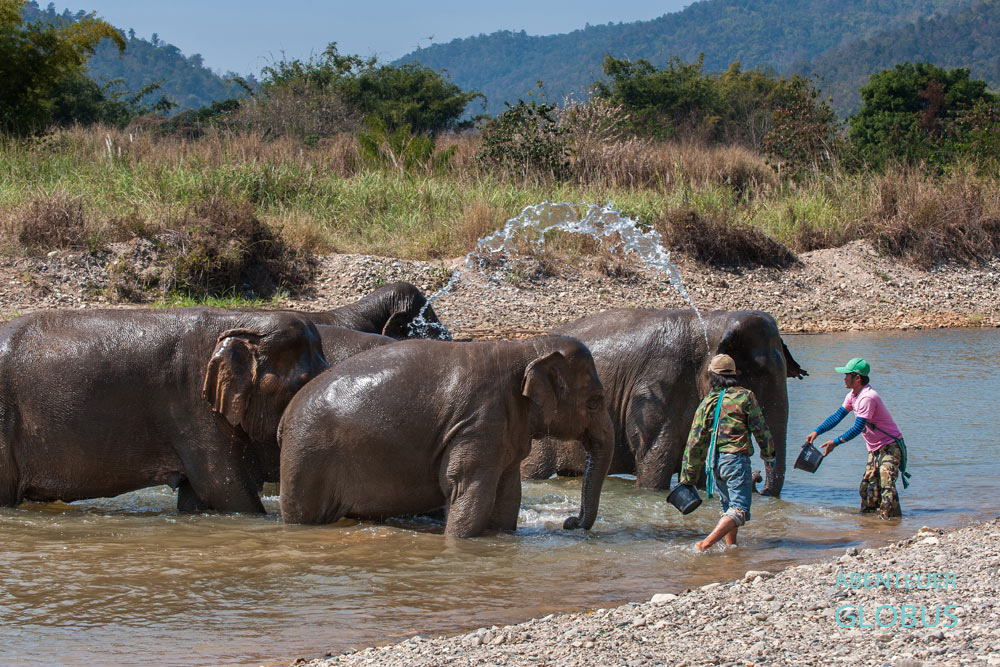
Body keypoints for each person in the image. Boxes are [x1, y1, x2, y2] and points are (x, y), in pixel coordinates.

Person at [679, 354, 775, 552]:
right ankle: (704, 544)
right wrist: (769, 456)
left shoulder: (707, 402)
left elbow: (694, 442)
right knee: (739, 510)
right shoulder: (745, 396)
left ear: (712, 376)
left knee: (727, 509)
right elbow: (761, 429)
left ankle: (732, 549)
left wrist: (687, 476)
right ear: (733, 374)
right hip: (736, 461)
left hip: (714, 463)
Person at [806, 357, 910, 520]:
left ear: (857, 378)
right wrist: (817, 431)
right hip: (874, 449)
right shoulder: (853, 395)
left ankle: (893, 523)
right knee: (867, 488)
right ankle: (869, 524)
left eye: (847, 375)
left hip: (890, 447)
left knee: (886, 484)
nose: (844, 378)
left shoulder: (867, 397)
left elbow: (858, 427)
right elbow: (837, 416)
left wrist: (836, 442)